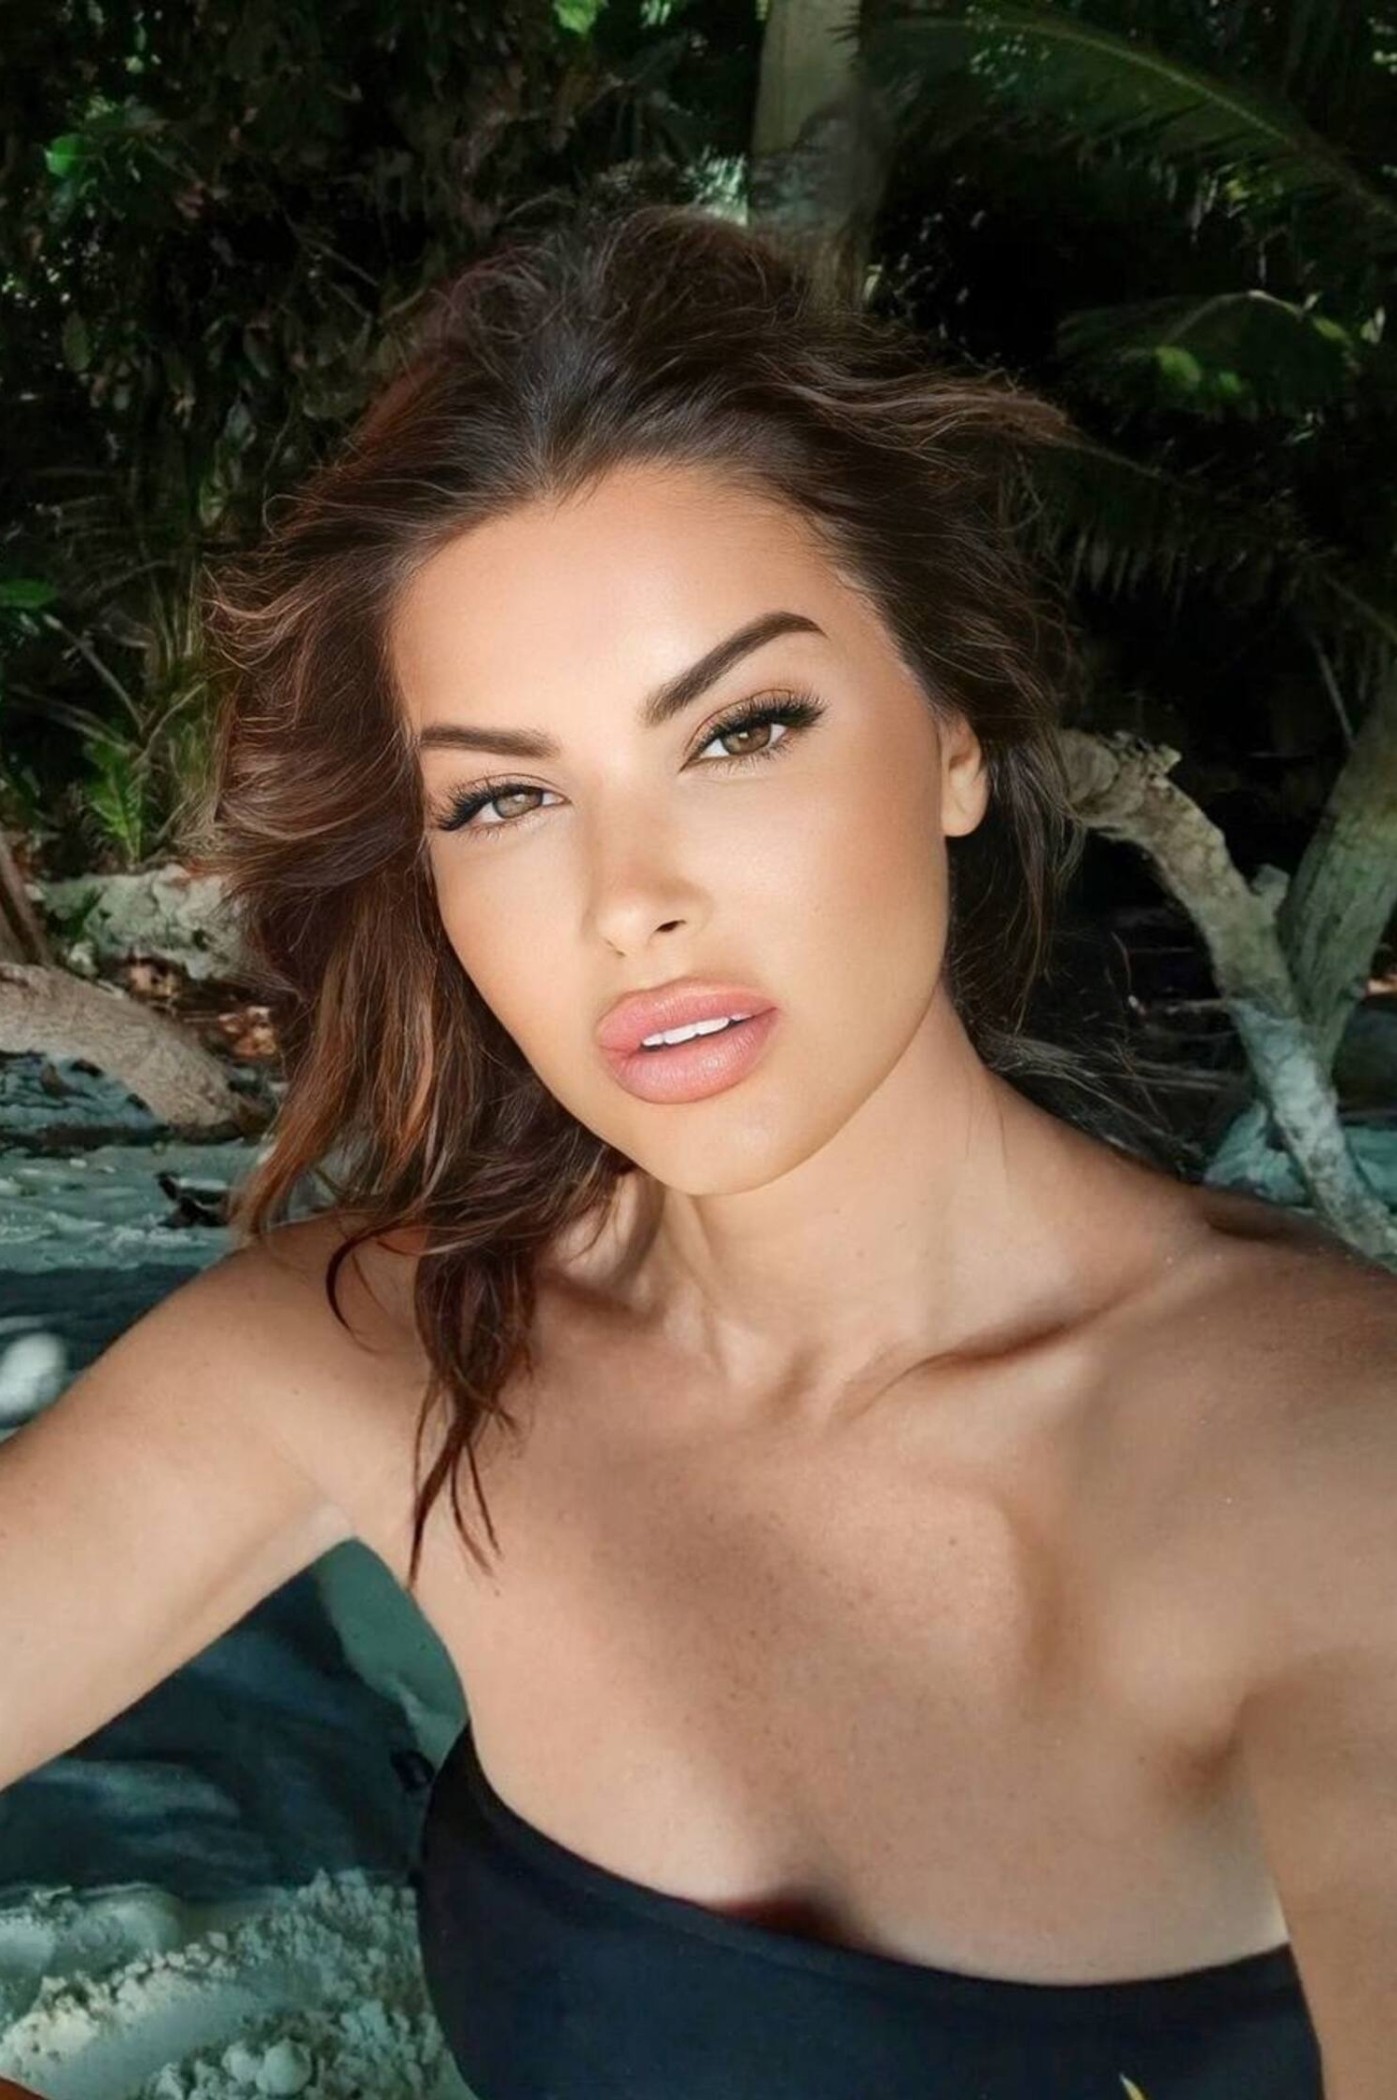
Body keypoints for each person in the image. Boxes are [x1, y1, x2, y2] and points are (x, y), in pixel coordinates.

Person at [4, 201, 1395, 2100]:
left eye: (741, 732)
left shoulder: (1327, 1475)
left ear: (954, 741)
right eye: (506, 796)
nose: (627, 900)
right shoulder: (373, 1351)